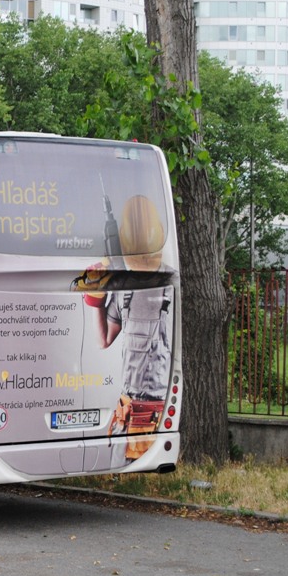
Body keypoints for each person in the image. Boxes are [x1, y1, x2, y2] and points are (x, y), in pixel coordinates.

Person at [80, 195, 172, 464]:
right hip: (128, 410)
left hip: (157, 409)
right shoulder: (125, 289)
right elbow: (104, 340)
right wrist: (96, 298)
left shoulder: (171, 283)